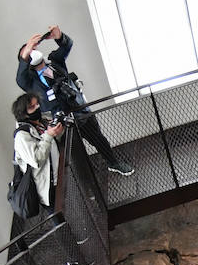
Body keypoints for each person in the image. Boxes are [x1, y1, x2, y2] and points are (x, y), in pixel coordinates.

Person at [17, 25, 135, 176]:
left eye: (33, 49)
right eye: (28, 53)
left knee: (99, 139)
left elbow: (67, 46)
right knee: (76, 156)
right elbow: (19, 78)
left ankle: (114, 163)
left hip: (81, 111)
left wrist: (59, 37)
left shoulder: (55, 63)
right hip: (63, 123)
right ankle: (87, 183)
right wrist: (25, 52)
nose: (32, 52)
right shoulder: (30, 81)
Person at [12, 92, 63, 214]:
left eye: (37, 104)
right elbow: (36, 160)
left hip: (60, 175)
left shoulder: (42, 123)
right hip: (48, 187)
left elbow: (52, 146)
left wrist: (58, 132)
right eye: (31, 107)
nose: (37, 108)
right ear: (23, 114)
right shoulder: (21, 136)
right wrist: (49, 135)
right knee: (60, 218)